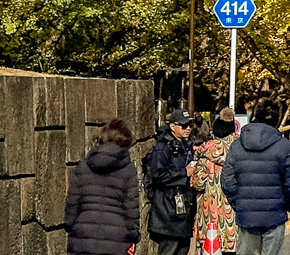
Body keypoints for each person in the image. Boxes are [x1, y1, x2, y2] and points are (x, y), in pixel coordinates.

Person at [222, 101, 290, 255]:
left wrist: (238, 204)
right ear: (277, 120)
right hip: (274, 213)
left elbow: (227, 181)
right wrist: (285, 205)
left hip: (246, 213)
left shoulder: (237, 146)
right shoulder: (285, 147)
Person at [66, 119, 141, 255]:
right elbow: (131, 208)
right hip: (116, 239)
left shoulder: (82, 166)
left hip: (83, 237)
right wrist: (133, 237)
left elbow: (72, 205)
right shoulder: (128, 169)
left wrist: (71, 227)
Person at [144, 109, 198, 255]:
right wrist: (184, 173)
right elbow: (157, 176)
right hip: (167, 209)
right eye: (184, 126)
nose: (188, 129)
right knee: (169, 248)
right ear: (173, 127)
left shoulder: (186, 145)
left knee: (182, 248)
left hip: (183, 207)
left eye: (190, 125)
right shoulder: (162, 148)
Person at [190, 109, 240, 253]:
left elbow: (198, 183)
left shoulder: (206, 154)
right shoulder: (240, 151)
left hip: (210, 214)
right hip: (233, 212)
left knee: (210, 247)